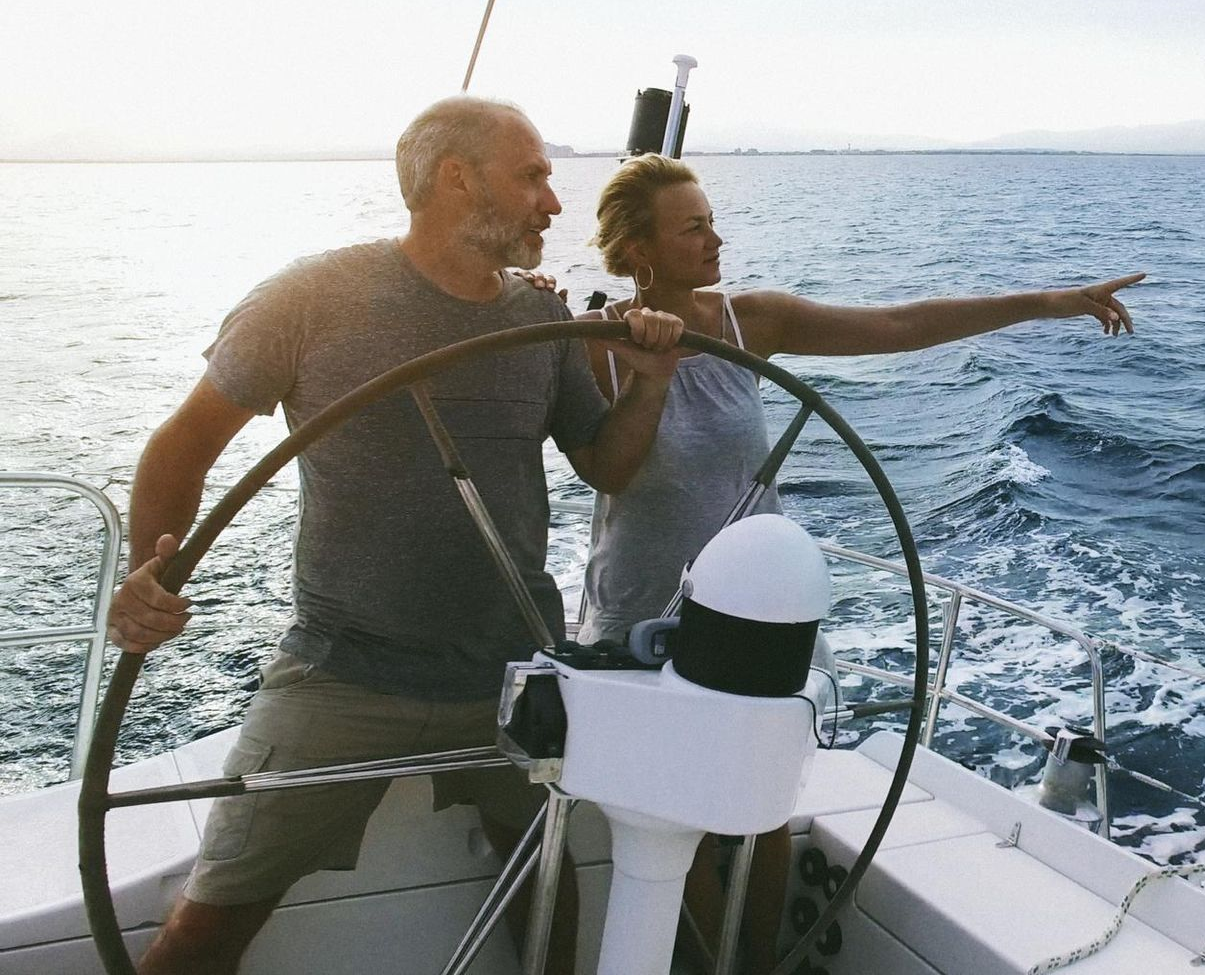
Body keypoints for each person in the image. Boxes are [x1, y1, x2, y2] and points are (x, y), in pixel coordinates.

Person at [106, 97, 684, 975]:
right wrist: (155, 575)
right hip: (344, 671)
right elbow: (182, 448)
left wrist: (647, 384)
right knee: (209, 924)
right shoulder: (311, 298)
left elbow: (605, 466)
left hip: (510, 668)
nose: (553, 204)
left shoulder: (539, 319)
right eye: (532, 176)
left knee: (545, 886)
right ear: (457, 178)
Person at [569, 151, 1144, 974]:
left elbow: (898, 326)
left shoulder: (748, 322)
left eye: (711, 219)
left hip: (756, 614)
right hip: (637, 614)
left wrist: (1047, 303)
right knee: (669, 820)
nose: (714, 237)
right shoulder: (593, 345)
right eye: (693, 227)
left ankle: (755, 964)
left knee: (762, 814)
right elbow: (603, 469)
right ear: (640, 249)